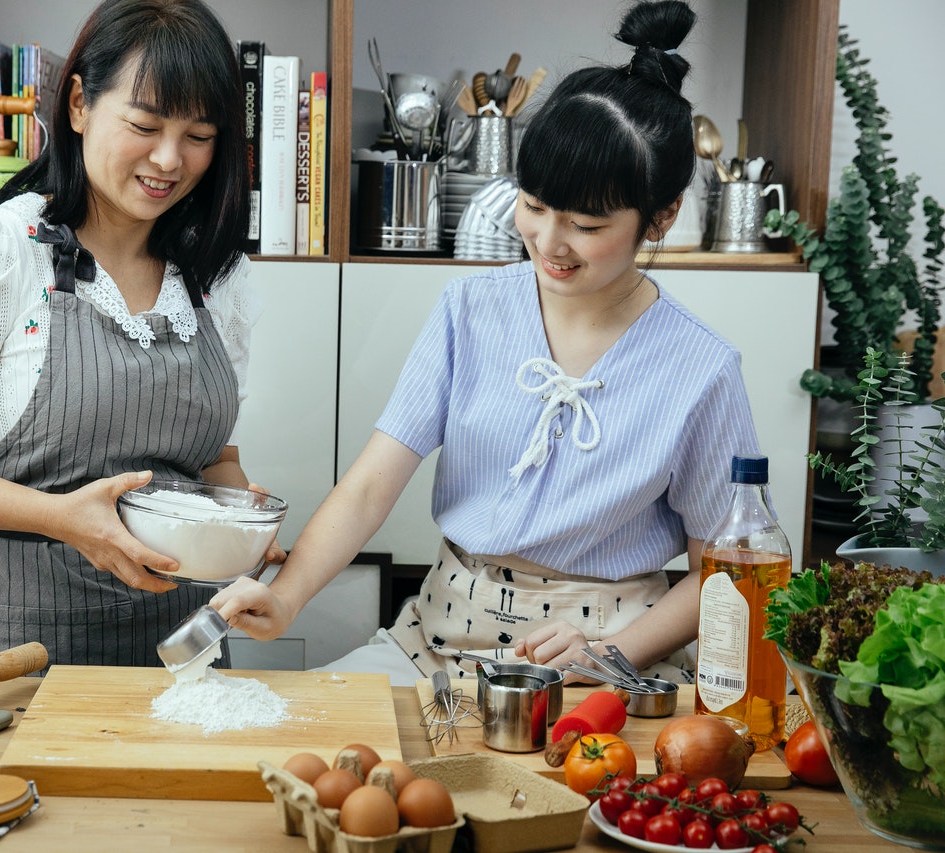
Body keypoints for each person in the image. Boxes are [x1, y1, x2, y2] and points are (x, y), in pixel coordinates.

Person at [212, 0, 760, 687]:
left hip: (609, 664)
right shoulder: (469, 308)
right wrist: (286, 593)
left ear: (661, 215)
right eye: (533, 205)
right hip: (437, 643)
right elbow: (369, 486)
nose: (549, 243)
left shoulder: (700, 368)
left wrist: (612, 651)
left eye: (586, 225)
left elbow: (727, 568)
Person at [0, 0, 282, 668]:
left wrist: (239, 514)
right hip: (14, 662)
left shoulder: (214, 277)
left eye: (199, 135)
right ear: (80, 105)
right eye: (144, 125)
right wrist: (62, 517)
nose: (169, 159)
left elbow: (212, 461)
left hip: (179, 660)